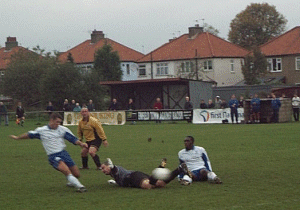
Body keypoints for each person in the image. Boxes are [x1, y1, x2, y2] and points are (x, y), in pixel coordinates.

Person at [9, 113, 88, 192]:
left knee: (77, 174)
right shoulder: (42, 130)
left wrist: (81, 144)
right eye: (57, 122)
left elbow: (72, 139)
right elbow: (29, 135)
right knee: (66, 170)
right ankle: (80, 187)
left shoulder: (62, 129)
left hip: (64, 153)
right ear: (51, 120)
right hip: (53, 156)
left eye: (59, 122)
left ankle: (72, 181)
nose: (58, 124)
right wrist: (17, 138)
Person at [100, 158, 192, 189]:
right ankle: (179, 169)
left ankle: (158, 171)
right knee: (161, 184)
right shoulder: (113, 174)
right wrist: (115, 182)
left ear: (109, 166)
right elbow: (118, 177)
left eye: (104, 168)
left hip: (133, 177)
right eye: (101, 169)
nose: (103, 170)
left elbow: (115, 170)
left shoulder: (114, 169)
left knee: (147, 185)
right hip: (134, 177)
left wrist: (111, 166)